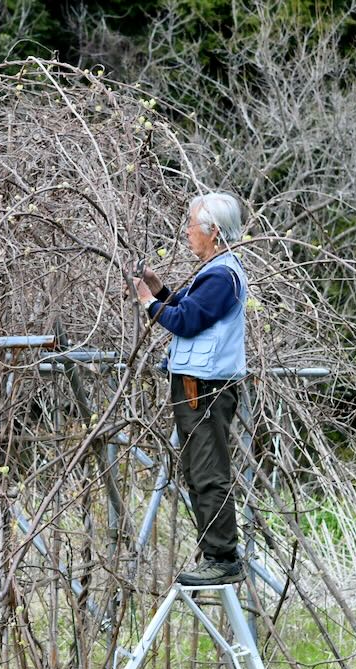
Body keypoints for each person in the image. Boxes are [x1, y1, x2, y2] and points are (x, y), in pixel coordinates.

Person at [133, 192, 248, 586]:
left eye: (191, 225)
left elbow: (185, 321)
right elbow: (187, 308)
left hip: (206, 390)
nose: (186, 232)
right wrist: (159, 289)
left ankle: (222, 557)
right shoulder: (217, 272)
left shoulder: (221, 276)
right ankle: (215, 553)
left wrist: (147, 301)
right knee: (198, 471)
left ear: (213, 232)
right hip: (197, 387)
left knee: (208, 472)